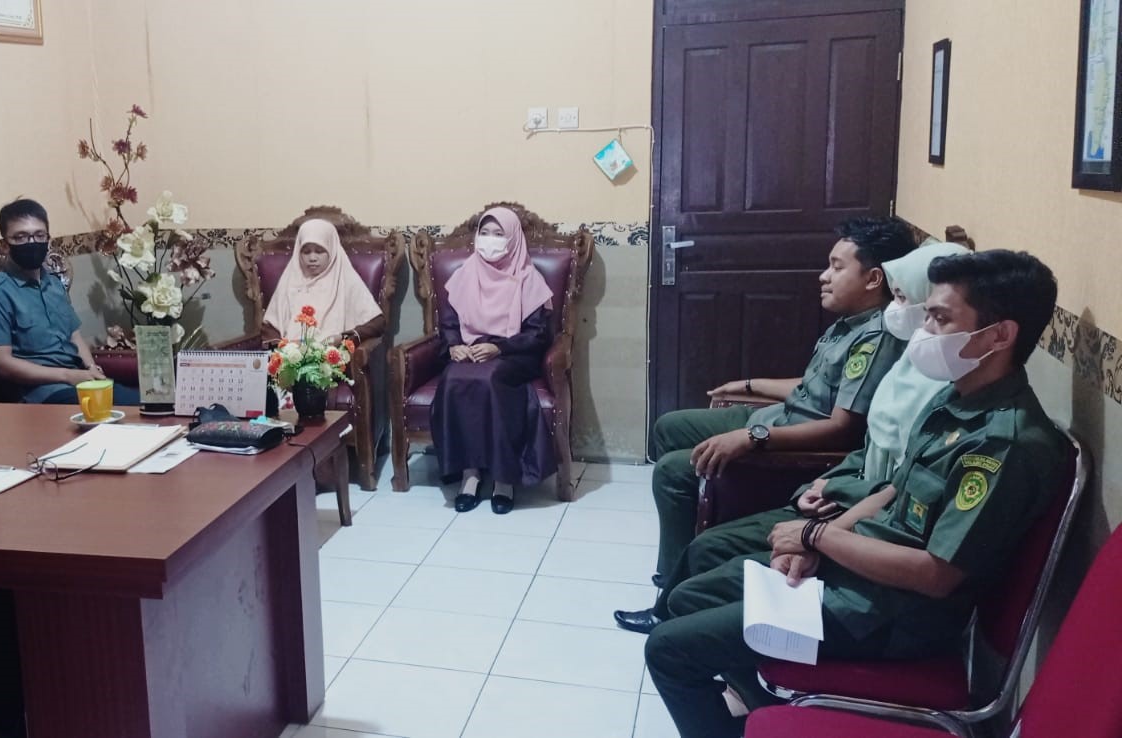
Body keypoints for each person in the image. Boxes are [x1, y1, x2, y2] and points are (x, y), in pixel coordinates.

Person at [645, 250, 1063, 738]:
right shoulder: (957, 396)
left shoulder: (1004, 444)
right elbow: (894, 489)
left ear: (999, 335)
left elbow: (936, 575)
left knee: (668, 651)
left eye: (941, 318)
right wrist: (812, 541)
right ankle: (769, 712)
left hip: (888, 618)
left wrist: (818, 537)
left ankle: (767, 715)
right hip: (857, 574)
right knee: (690, 596)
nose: (925, 329)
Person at [631, 239, 973, 634]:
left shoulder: (919, 370)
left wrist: (757, 440)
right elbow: (847, 423)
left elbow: (853, 438)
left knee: (677, 474)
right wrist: (751, 384)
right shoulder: (894, 356)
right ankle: (675, 577)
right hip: (813, 455)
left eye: (837, 267)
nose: (824, 276)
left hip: (813, 468)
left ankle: (674, 592)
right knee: (670, 428)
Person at [431, 206, 556, 515]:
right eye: (484, 233)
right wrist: (454, 347)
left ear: (513, 238)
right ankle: (470, 474)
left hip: (514, 355)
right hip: (469, 350)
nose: (489, 240)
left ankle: (504, 479)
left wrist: (498, 348)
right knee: (453, 378)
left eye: (498, 234)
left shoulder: (529, 278)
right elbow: (448, 324)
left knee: (491, 378)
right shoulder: (464, 274)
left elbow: (538, 335)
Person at [0, 198, 140, 405]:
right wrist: (67, 376)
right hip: (42, 395)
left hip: (80, 382)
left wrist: (91, 369)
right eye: (21, 237)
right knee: (135, 408)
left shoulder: (53, 284)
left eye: (39, 235)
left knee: (154, 403)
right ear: (5, 245)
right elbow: (1, 364)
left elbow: (74, 335)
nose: (32, 243)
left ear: (48, 239)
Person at [260, 218, 384, 346]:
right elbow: (270, 326)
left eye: (319, 251)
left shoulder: (346, 281)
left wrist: (343, 337)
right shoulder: (290, 280)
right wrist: (283, 347)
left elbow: (377, 323)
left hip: (333, 354)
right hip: (290, 354)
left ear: (331, 250)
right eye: (306, 252)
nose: (312, 258)